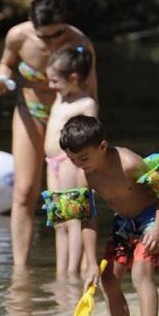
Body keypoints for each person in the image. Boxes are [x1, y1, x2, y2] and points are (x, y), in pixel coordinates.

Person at [0, 0, 96, 267]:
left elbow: (91, 92)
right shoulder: (18, 36)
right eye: (42, 34)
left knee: (70, 197)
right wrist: (1, 78)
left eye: (55, 34)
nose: (48, 41)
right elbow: (5, 63)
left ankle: (76, 268)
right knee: (23, 192)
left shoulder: (80, 42)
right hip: (30, 111)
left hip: (68, 117)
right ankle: (20, 272)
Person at [60, 116, 159, 316]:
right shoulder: (85, 176)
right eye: (72, 160)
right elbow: (88, 219)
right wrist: (91, 263)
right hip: (123, 223)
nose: (78, 165)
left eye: (83, 158)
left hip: (152, 217)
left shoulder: (129, 163)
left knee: (141, 272)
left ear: (102, 146)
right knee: (109, 280)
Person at [40, 46, 98, 280]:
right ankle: (60, 272)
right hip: (51, 162)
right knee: (58, 220)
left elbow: (89, 136)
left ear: (74, 78)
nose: (51, 85)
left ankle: (72, 273)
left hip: (69, 161)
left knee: (73, 219)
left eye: (55, 80)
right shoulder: (60, 97)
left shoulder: (86, 103)